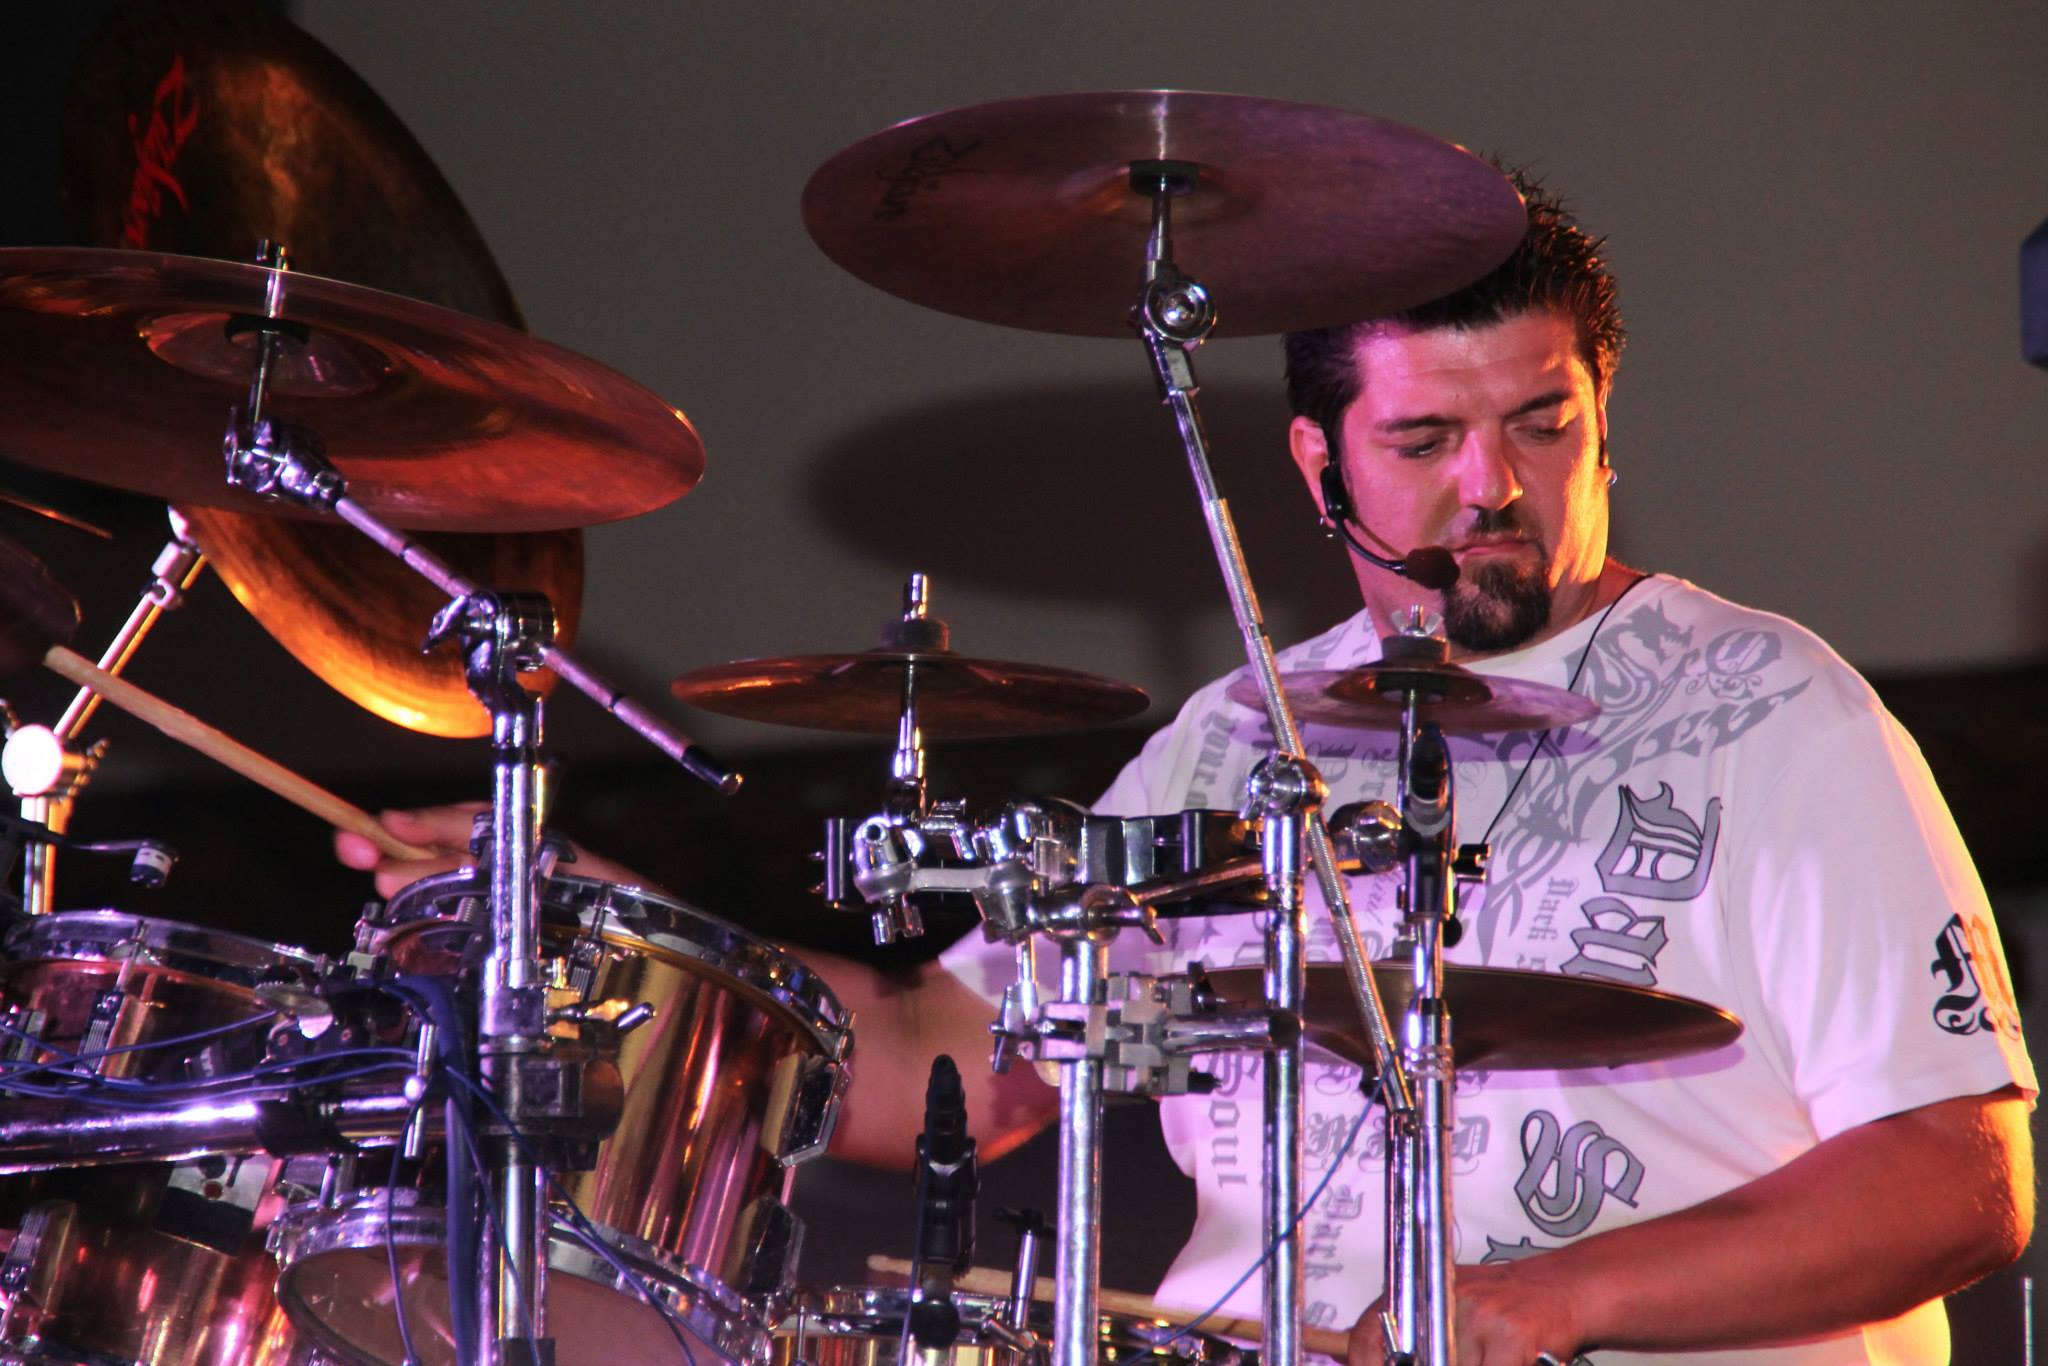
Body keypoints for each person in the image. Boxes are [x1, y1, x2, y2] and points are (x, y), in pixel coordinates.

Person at [338, 178, 2035, 1365]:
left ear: (1606, 415)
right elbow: (946, 1066)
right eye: (1427, 439)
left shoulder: (1770, 708)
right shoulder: (1237, 738)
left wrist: (1540, 1300)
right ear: (1314, 462)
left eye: (1545, 422)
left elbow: (1961, 1178)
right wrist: (595, 924)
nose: (1495, 488)